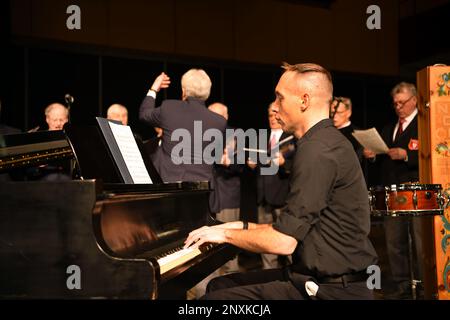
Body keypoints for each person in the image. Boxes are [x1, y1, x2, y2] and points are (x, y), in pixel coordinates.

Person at [184, 62, 378, 300]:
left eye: (279, 98)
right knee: (220, 285)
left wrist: (223, 236)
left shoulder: (318, 149)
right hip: (314, 278)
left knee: (211, 301)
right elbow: (290, 226)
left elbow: (283, 242)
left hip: (333, 290)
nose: (274, 107)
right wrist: (236, 226)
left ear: (304, 101)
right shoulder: (319, 142)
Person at [363, 82, 421, 299]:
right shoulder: (390, 128)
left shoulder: (424, 124)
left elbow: (433, 152)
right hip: (392, 191)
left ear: (414, 100)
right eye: (395, 103)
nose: (398, 107)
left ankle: (422, 284)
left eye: (402, 102)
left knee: (419, 240)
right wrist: (373, 155)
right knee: (394, 240)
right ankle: (402, 285)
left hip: (414, 190)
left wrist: (407, 155)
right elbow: (384, 157)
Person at [139, 70, 227, 183]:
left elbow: (144, 114)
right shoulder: (219, 122)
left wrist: (154, 89)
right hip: (201, 189)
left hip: (170, 187)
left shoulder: (169, 108)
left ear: (184, 91)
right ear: (208, 92)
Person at [247, 103, 294, 269]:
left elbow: (298, 165)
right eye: (269, 115)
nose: (273, 118)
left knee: (288, 240)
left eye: (275, 114)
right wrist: (251, 163)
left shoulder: (292, 137)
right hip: (263, 198)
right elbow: (256, 162)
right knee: (266, 243)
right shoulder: (262, 137)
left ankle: (296, 276)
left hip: (283, 198)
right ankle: (269, 277)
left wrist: (284, 163)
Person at [330, 97, 363, 163]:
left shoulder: (358, 133)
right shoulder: (327, 131)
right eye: (332, 112)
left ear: (349, 113)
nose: (334, 116)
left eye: (339, 112)